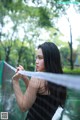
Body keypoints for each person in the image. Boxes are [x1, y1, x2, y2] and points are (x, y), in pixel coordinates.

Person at [12, 42, 66, 120]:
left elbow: (23, 107)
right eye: (36, 58)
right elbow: (34, 95)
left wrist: (15, 81)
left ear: (50, 59)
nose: (36, 61)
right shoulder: (60, 79)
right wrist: (25, 78)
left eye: (40, 58)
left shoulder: (37, 78)